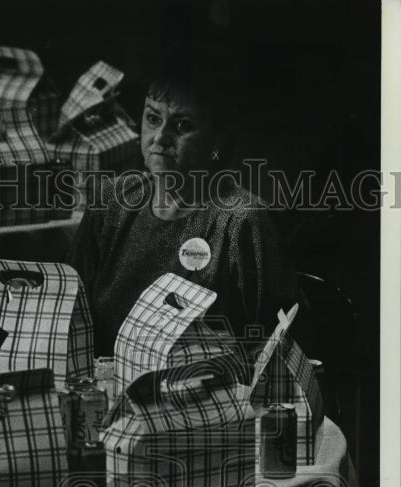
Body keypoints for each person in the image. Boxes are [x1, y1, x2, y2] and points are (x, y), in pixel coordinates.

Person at [66, 48, 302, 359]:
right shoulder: (112, 201)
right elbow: (70, 309)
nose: (159, 137)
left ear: (217, 138)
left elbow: (277, 343)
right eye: (152, 118)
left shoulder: (241, 220)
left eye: (182, 125)